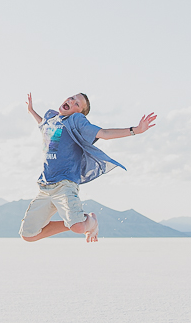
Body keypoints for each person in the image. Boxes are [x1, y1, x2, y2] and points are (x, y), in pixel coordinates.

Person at [21, 92, 156, 243]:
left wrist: (134, 130)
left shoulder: (76, 120)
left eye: (77, 104)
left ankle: (90, 221)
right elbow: (42, 125)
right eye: (72, 98)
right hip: (45, 187)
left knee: (79, 227)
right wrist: (31, 111)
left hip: (65, 184)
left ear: (80, 113)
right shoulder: (51, 119)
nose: (71, 102)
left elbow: (103, 133)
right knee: (28, 235)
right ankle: (72, 223)